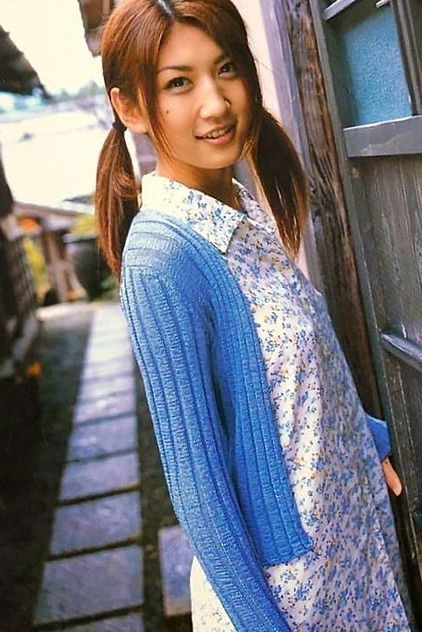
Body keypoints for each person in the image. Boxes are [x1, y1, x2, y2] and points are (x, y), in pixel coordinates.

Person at [95, 0, 413, 629]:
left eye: (227, 69)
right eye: (178, 83)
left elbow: (296, 369)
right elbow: (199, 490)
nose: (215, 104)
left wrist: (364, 439)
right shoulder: (162, 260)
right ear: (130, 108)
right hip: (291, 593)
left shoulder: (239, 212)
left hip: (350, 542)